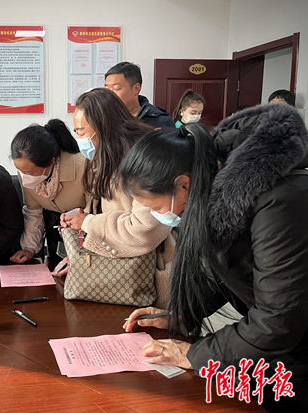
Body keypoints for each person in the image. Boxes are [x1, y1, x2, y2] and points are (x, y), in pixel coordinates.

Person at [120, 104, 308, 411]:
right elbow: (224, 268)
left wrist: (193, 355)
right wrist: (183, 315)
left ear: (183, 184)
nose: (156, 215)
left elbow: (279, 318)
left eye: (156, 206)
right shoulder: (216, 192)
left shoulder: (278, 202)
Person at [56, 88, 171, 277]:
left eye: (82, 132)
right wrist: (82, 219)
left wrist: (88, 222)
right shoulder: (105, 157)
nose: (80, 140)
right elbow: (105, 209)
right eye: (77, 132)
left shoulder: (144, 161)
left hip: (145, 274)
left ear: (103, 126)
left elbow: (144, 230)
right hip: (117, 269)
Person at [10, 119, 87, 264]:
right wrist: (29, 248)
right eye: (21, 171)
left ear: (51, 163)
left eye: (29, 172)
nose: (25, 176)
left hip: (85, 233)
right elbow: (34, 211)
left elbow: (96, 209)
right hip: (55, 232)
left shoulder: (84, 167)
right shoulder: (26, 172)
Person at [104, 62, 174, 129]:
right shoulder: (104, 118)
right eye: (106, 89)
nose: (109, 94)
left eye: (116, 88)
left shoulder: (161, 122)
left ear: (136, 89)